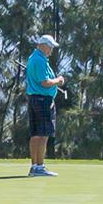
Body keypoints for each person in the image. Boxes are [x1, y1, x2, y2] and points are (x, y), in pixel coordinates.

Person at [26, 34, 65, 177]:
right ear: (42, 45)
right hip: (42, 100)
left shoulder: (35, 58)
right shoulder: (39, 60)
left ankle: (35, 166)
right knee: (43, 134)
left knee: (36, 134)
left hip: (34, 99)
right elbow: (45, 82)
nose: (51, 50)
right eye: (50, 47)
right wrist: (58, 80)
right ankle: (39, 166)